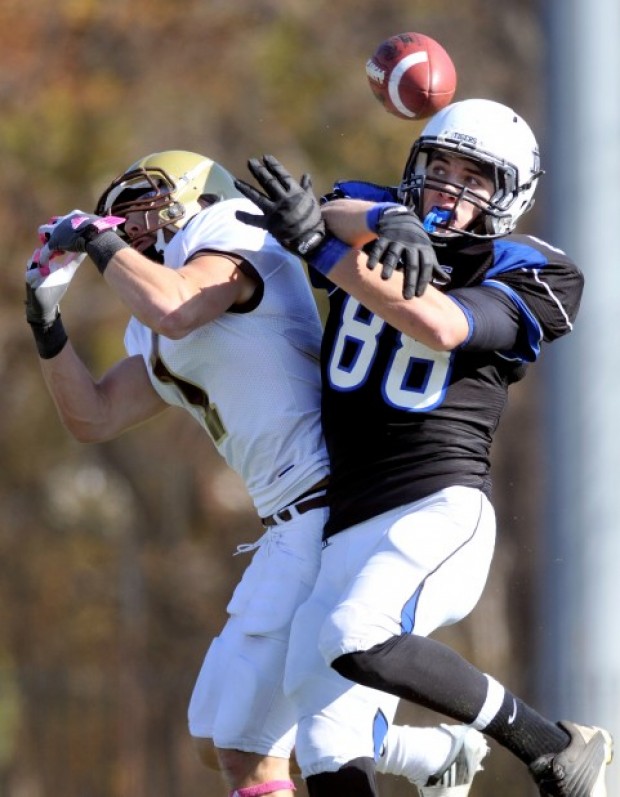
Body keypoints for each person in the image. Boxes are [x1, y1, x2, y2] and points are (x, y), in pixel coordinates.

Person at [24, 149, 489, 797]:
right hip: (287, 521)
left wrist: (98, 244)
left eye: (137, 204)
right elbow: (94, 416)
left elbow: (178, 308)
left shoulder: (233, 230)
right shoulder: (161, 300)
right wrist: (45, 323)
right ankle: (426, 753)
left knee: (249, 748)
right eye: (114, 216)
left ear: (193, 194)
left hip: (328, 507)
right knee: (217, 740)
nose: (124, 222)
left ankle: (445, 748)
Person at [233, 98, 614, 797]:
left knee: (354, 635)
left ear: (511, 193)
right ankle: (448, 759)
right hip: (349, 517)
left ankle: (553, 745)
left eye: (476, 175)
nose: (450, 184)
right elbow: (338, 205)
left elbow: (439, 324)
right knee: (324, 735)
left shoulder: (533, 269)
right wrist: (388, 220)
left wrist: (321, 245)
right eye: (440, 165)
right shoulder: (375, 208)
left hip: (438, 506)